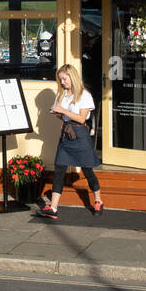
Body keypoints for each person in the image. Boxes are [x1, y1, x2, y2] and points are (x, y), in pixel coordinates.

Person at [38, 63, 103, 219]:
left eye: (64, 79)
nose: (62, 82)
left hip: (80, 135)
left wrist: (63, 111)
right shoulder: (61, 95)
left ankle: (98, 200)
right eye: (60, 79)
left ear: (72, 77)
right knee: (59, 169)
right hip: (66, 134)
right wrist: (58, 114)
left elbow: (81, 119)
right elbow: (64, 115)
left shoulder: (84, 95)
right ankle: (53, 208)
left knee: (87, 169)